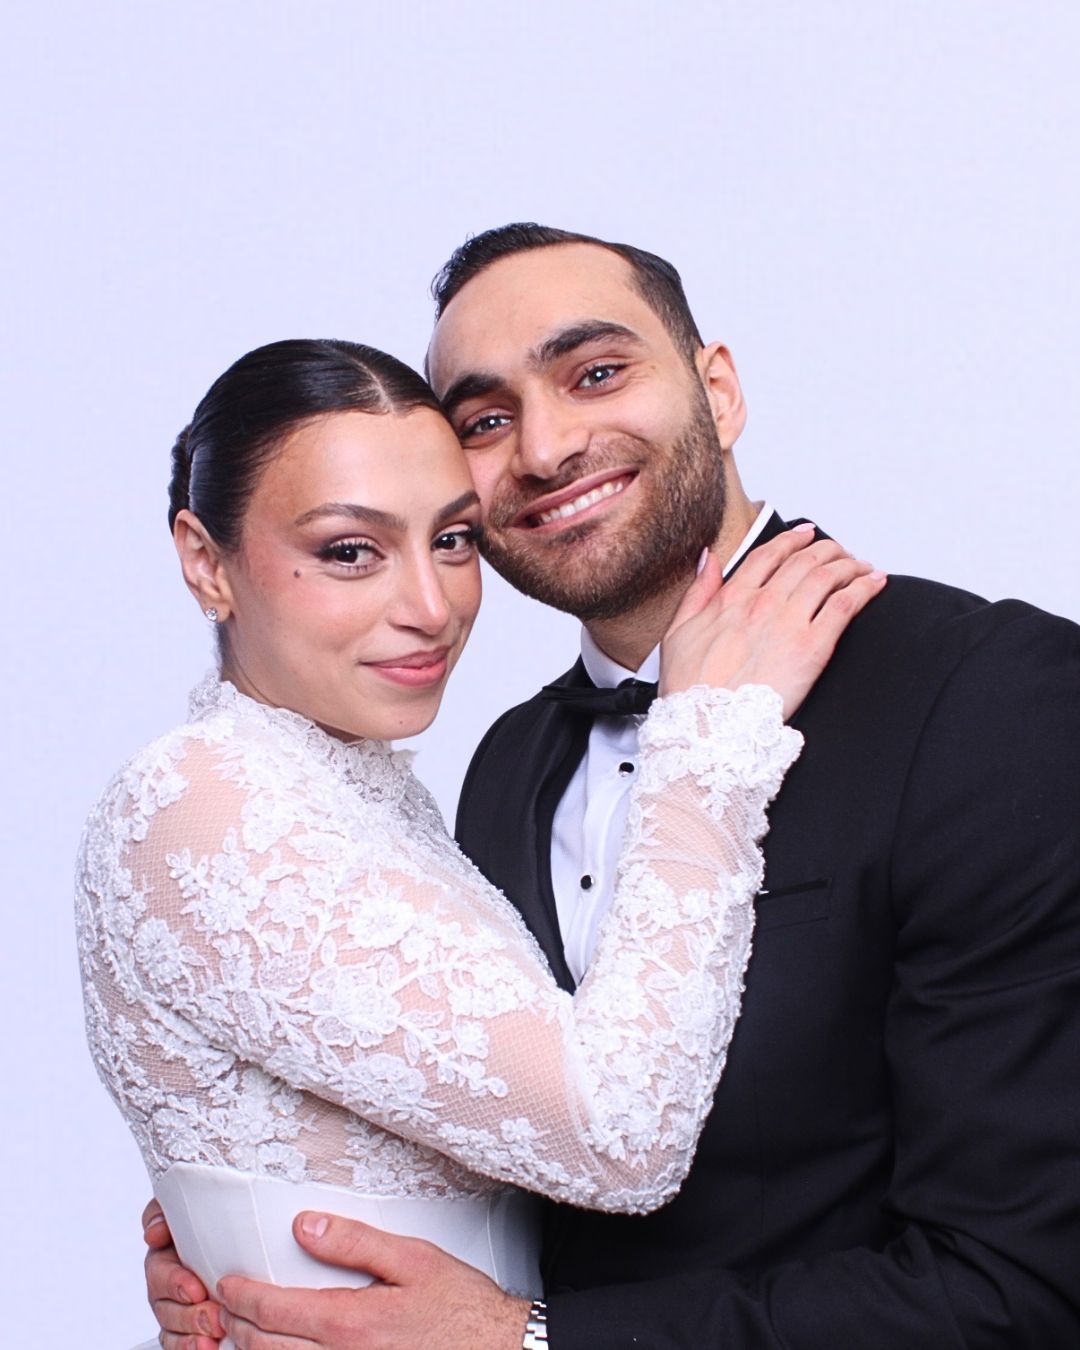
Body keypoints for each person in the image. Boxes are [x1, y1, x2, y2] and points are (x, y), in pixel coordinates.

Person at [144, 229, 1080, 1350]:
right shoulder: (506, 761)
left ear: (718, 390)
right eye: (486, 419)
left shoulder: (990, 696)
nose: (545, 446)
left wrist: (533, 1342)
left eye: (596, 373)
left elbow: (1018, 1291)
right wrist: (257, 1239)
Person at [77, 336, 881, 1350]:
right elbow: (619, 1138)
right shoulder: (203, 802)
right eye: (349, 551)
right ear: (206, 560)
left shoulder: (365, 795)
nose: (431, 608)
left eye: (453, 540)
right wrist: (707, 733)